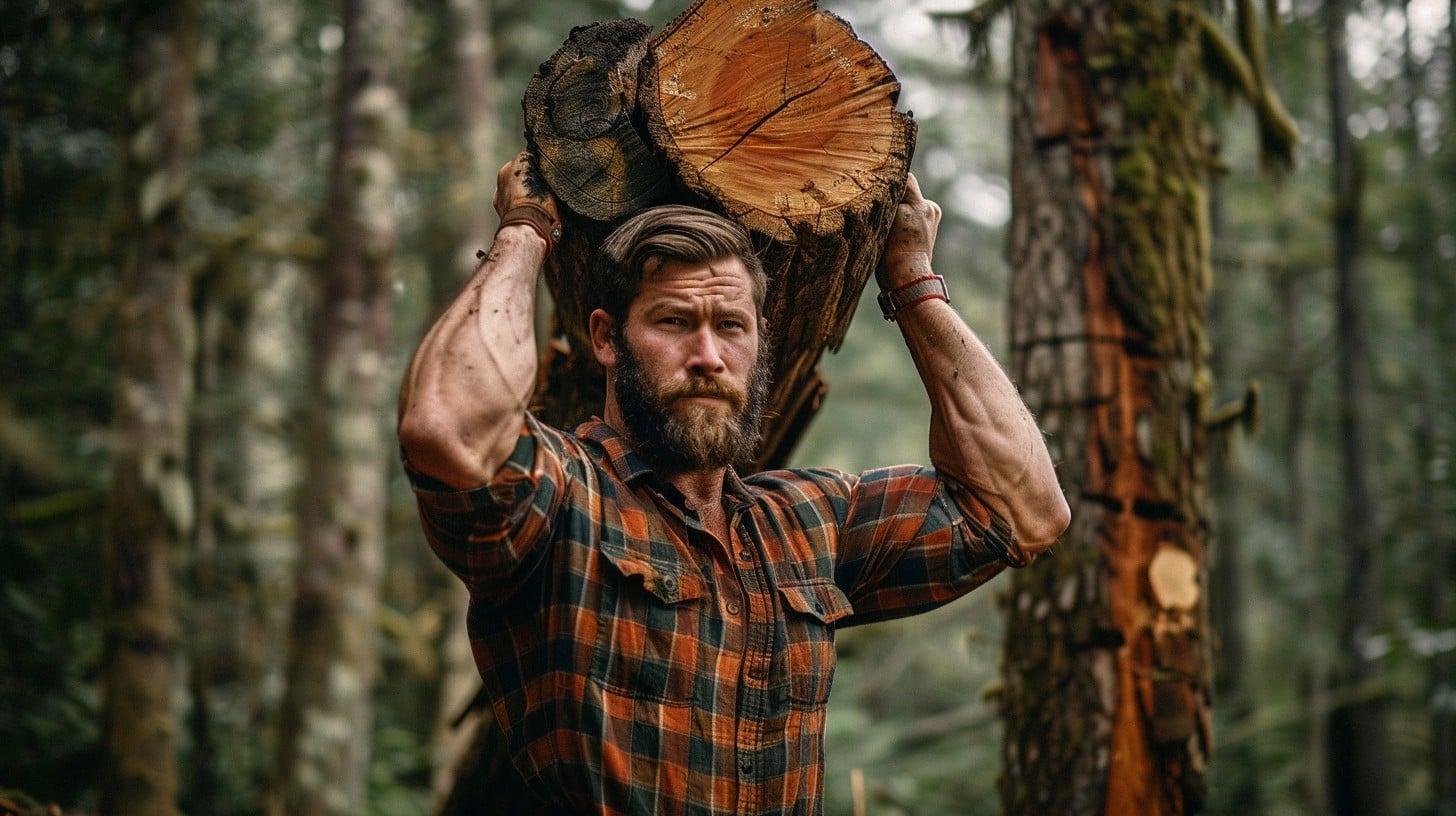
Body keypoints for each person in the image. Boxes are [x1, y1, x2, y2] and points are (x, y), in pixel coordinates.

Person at [397, 152, 1070, 815]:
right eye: (673, 322)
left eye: (731, 327)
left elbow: (1023, 508)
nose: (709, 357)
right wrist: (524, 229)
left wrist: (912, 278)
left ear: (759, 342)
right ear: (606, 338)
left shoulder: (808, 523)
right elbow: (446, 423)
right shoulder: (561, 496)